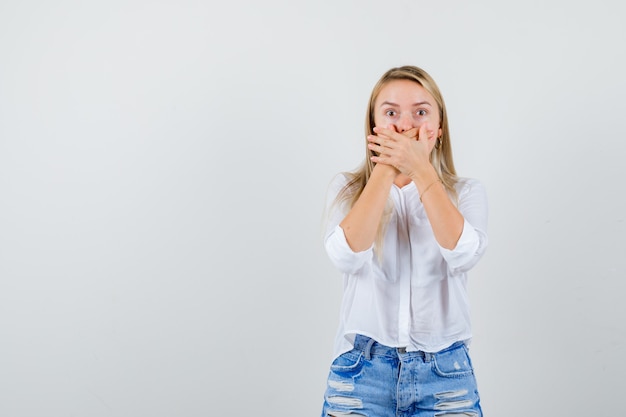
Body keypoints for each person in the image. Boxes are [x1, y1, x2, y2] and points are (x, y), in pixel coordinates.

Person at [320, 65, 488, 417]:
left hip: (445, 375)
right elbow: (346, 256)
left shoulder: (465, 192)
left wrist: (421, 170)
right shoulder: (348, 190)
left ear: (439, 130)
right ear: (373, 127)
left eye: (421, 112)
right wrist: (386, 168)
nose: (406, 126)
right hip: (361, 372)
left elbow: (463, 253)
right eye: (391, 113)